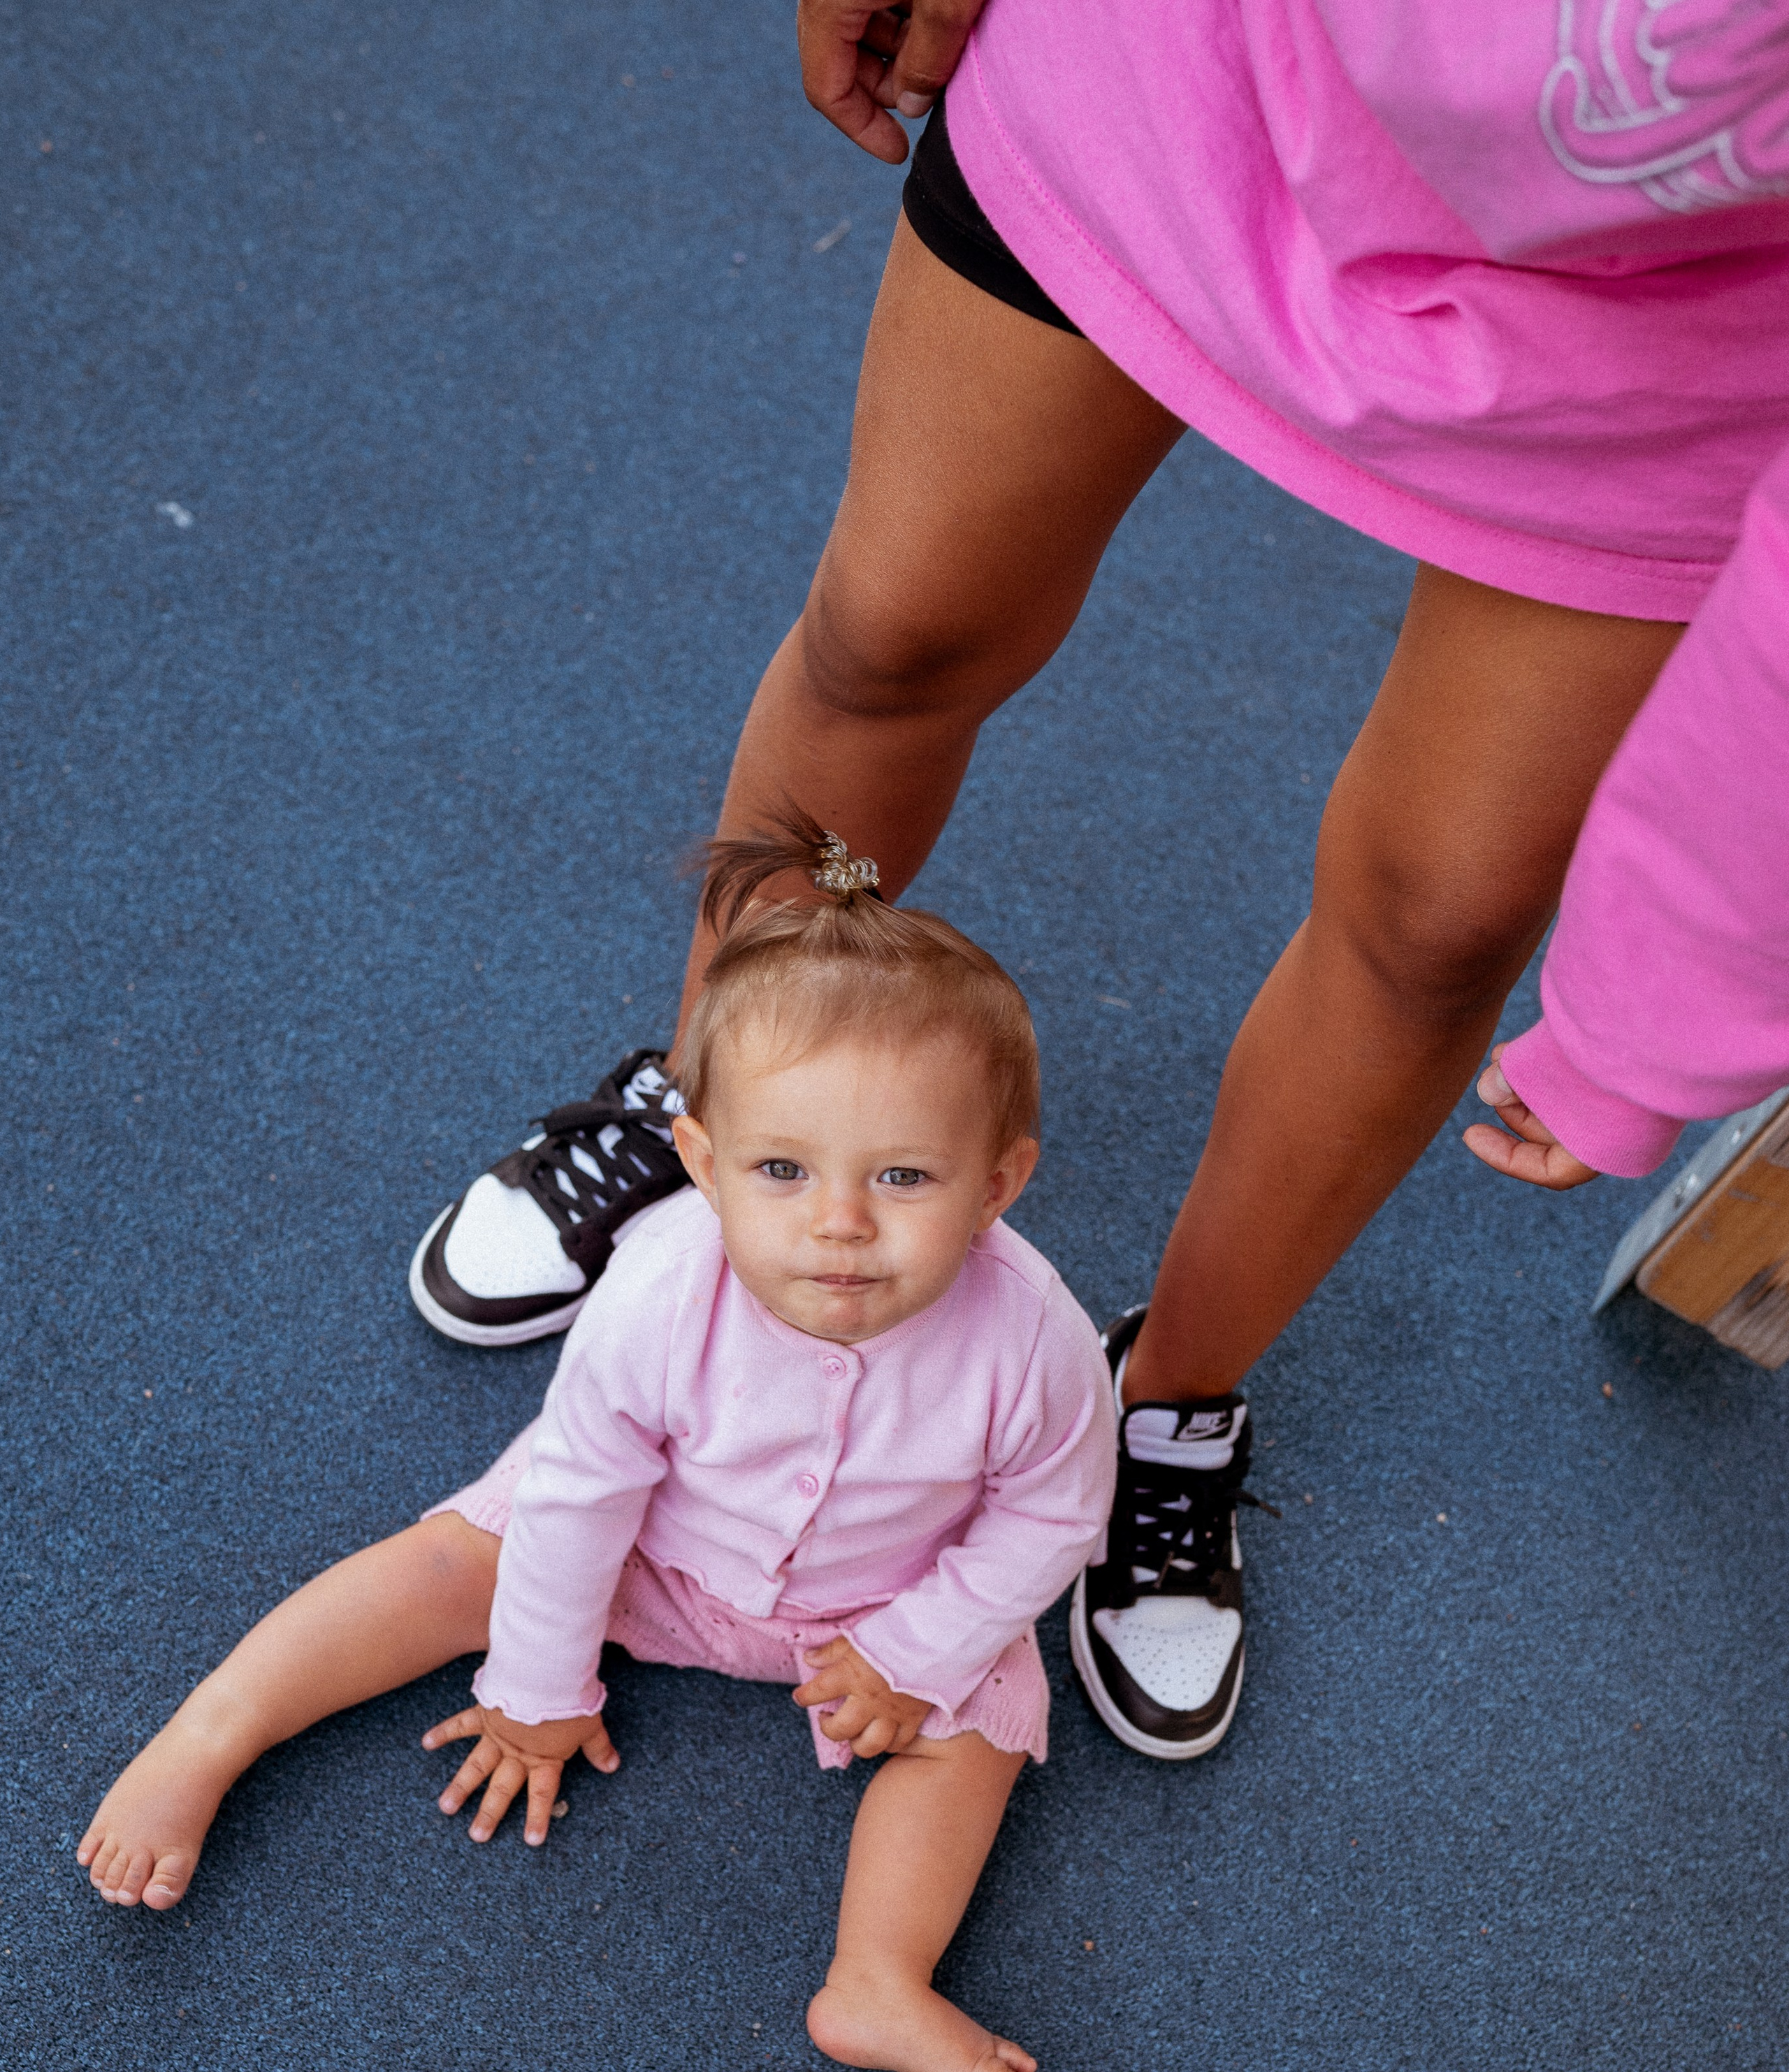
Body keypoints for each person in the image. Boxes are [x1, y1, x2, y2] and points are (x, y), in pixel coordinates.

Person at [407, 0, 1789, 1757]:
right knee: (894, 635)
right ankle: (717, 1118)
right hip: (1196, 70)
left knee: (1436, 926)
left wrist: (1666, 1002)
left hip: (1671, 346)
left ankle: (1164, 1401)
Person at [78, 836, 1117, 2072]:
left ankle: (877, 1979)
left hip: (874, 1608)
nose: (840, 1223)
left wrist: (918, 1649)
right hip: (651, 1548)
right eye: (782, 1171)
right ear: (702, 1163)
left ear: (999, 1184)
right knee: (457, 1561)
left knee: (982, 1719)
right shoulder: (663, 1282)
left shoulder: (1037, 1340)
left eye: (903, 1177)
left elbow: (1054, 1511)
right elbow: (581, 1493)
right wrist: (536, 1684)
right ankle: (212, 1731)